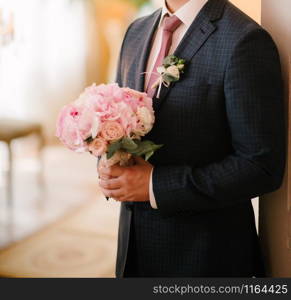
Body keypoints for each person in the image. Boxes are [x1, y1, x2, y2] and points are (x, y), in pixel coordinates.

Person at [98, 0, 286, 277]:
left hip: (203, 256)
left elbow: (261, 167)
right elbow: (116, 120)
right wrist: (109, 158)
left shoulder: (244, 40)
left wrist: (154, 185)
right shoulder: (136, 31)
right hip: (133, 249)